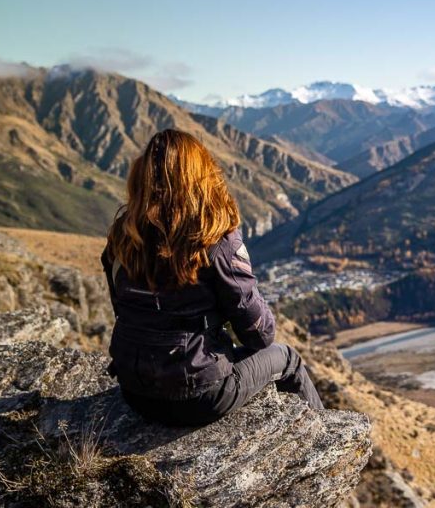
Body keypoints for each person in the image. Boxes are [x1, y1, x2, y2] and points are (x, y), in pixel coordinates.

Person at [101, 128, 323, 426]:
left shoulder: (123, 236)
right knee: (288, 359)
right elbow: (260, 335)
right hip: (200, 396)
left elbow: (124, 310)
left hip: (135, 392)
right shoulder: (215, 239)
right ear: (202, 178)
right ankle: (326, 438)